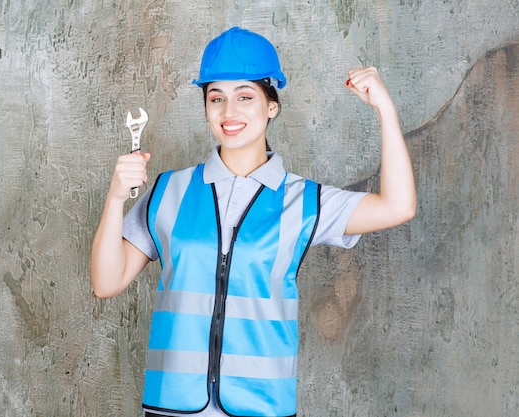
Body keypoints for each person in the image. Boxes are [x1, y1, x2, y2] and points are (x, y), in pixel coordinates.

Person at [91, 27, 416, 417]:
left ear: (271, 105)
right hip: (171, 407)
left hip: (261, 409)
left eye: (245, 97)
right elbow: (106, 282)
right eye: (217, 98)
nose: (229, 113)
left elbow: (399, 206)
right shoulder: (168, 191)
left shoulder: (304, 201)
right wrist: (114, 197)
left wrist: (386, 109)